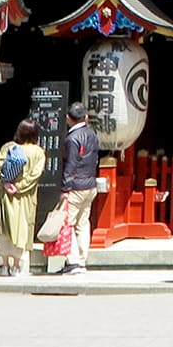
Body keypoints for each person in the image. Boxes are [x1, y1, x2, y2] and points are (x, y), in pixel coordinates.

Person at [0, 117, 46, 278]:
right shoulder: (38, 152)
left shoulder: (8, 147)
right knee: (21, 230)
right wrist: (19, 187)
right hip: (24, 197)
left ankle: (4, 265)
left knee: (4, 230)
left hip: (3, 195)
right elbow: (35, 174)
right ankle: (17, 266)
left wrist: (4, 184)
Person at [57, 101, 99, 275]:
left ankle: (72, 260)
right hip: (90, 184)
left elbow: (70, 165)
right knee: (83, 223)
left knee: (68, 223)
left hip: (76, 187)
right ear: (86, 117)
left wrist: (65, 189)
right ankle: (82, 260)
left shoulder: (72, 139)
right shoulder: (92, 134)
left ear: (68, 118)